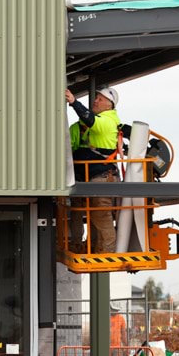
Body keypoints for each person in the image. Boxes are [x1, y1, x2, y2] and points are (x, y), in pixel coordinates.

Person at [65, 86, 122, 253]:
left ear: (109, 105)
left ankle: (107, 251)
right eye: (96, 97)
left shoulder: (107, 120)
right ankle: (94, 246)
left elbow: (90, 120)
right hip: (91, 177)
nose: (96, 101)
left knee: (100, 214)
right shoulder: (94, 123)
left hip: (101, 177)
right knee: (87, 212)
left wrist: (74, 103)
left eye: (100, 99)